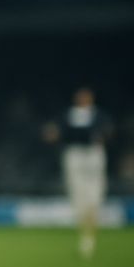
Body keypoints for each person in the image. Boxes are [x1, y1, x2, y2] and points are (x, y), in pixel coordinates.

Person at [42, 87, 111, 258]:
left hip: (93, 154)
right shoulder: (69, 114)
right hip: (74, 154)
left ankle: (90, 235)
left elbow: (108, 128)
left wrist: (104, 137)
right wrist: (51, 133)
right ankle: (84, 235)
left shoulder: (97, 114)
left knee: (95, 196)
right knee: (78, 195)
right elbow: (54, 129)